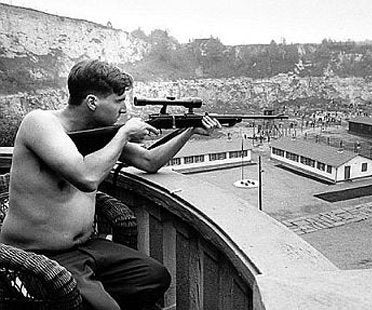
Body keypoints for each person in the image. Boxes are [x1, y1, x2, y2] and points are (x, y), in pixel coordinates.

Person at [0, 59, 221, 310]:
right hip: (39, 255)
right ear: (92, 102)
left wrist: (189, 130)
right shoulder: (39, 123)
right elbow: (86, 178)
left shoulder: (100, 133)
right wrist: (124, 133)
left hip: (85, 247)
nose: (123, 108)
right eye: (118, 101)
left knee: (154, 276)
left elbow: (149, 161)